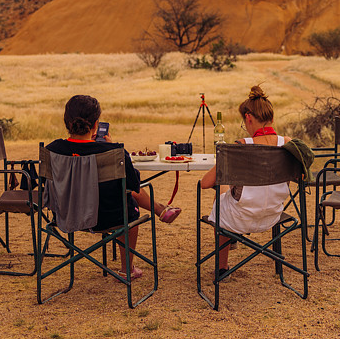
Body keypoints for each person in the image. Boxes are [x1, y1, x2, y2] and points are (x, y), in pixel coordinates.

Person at [46, 94, 181, 280]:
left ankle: (160, 209)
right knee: (127, 204)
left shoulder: (52, 149)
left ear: (66, 122)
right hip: (107, 218)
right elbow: (133, 185)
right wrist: (114, 149)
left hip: (65, 214)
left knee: (122, 198)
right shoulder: (112, 151)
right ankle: (127, 269)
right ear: (96, 125)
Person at [200, 85, 291, 279]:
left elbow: (205, 183)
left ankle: (222, 267)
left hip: (239, 218)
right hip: (273, 215)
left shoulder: (240, 147)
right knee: (226, 193)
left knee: (221, 194)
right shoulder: (288, 144)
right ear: (271, 118)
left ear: (248, 118)